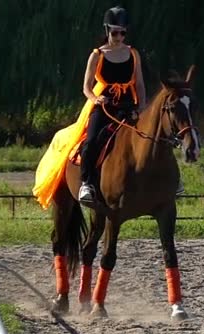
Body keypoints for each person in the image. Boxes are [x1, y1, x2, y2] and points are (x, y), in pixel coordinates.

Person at [78, 6, 147, 204]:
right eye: (115, 32)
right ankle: (86, 183)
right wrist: (95, 99)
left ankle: (169, 181)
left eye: (122, 32)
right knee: (92, 141)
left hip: (128, 104)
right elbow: (86, 87)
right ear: (107, 30)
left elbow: (140, 83)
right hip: (104, 106)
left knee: (154, 134)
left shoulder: (133, 53)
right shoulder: (97, 54)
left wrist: (142, 105)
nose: (119, 37)